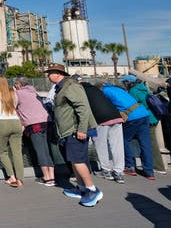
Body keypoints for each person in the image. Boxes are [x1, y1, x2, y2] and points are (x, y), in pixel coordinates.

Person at [45, 63, 102, 208]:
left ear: (58, 73)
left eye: (50, 72)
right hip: (67, 131)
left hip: (75, 130)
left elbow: (83, 107)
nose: (48, 75)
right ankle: (81, 188)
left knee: (78, 160)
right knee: (73, 161)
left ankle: (91, 190)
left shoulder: (70, 86)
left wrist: (82, 129)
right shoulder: (62, 87)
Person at [100, 82, 155, 180]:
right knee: (145, 143)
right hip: (144, 114)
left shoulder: (105, 91)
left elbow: (105, 105)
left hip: (132, 117)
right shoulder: (119, 90)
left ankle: (130, 166)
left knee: (125, 140)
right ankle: (149, 172)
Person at [13, 76, 55, 186]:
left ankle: (46, 178)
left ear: (18, 85)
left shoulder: (18, 93)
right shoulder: (33, 92)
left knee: (39, 150)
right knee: (46, 149)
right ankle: (52, 176)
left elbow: (12, 106)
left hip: (33, 123)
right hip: (46, 122)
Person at [81, 81, 125, 184]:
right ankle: (119, 173)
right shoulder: (96, 90)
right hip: (116, 117)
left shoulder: (82, 92)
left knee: (101, 146)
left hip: (101, 119)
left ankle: (106, 171)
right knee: (117, 146)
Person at [123, 74, 167, 175]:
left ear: (128, 82)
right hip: (152, 117)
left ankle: (158, 167)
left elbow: (131, 105)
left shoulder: (133, 91)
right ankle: (154, 166)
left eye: (124, 82)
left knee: (150, 144)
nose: (124, 84)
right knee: (149, 143)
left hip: (144, 118)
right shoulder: (143, 88)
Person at [0, 76, 24, 188]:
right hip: (15, 121)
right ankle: (20, 179)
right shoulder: (13, 92)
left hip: (2, 122)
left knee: (2, 152)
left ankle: (11, 176)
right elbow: (16, 105)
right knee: (17, 152)